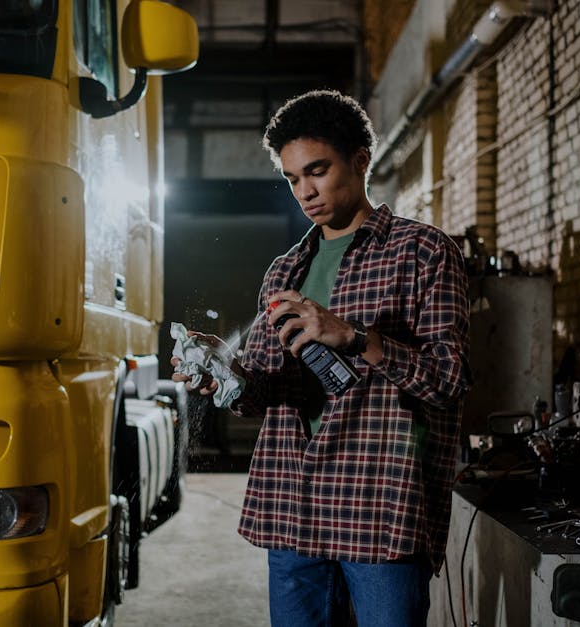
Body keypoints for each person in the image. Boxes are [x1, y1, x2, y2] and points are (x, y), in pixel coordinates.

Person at [173, 89, 471, 627]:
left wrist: (354, 337)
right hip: (295, 507)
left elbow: (449, 381)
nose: (304, 192)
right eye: (292, 179)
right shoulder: (283, 271)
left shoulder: (423, 253)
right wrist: (224, 376)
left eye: (317, 171)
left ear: (360, 161)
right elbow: (264, 393)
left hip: (378, 509)